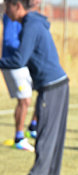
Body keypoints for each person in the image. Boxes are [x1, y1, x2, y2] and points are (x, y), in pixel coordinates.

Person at [0, 0, 69, 175]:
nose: (5, 11)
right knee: (53, 133)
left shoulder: (30, 25)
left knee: (45, 134)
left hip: (52, 85)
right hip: (59, 83)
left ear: (18, 6)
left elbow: (20, 59)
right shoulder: (33, 22)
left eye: (7, 7)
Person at [1, 12, 34, 151]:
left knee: (26, 99)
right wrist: (24, 49)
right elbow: (9, 40)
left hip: (21, 63)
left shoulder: (25, 14)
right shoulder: (12, 14)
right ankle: (19, 138)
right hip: (14, 63)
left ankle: (29, 130)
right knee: (24, 100)